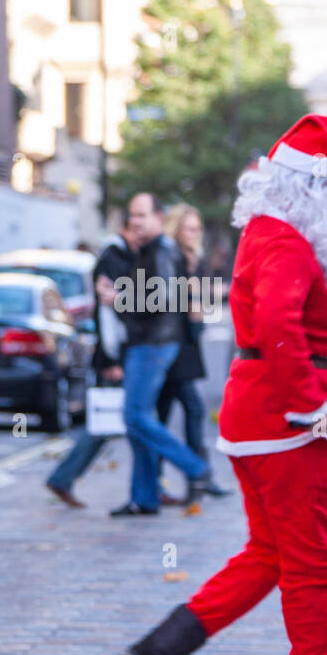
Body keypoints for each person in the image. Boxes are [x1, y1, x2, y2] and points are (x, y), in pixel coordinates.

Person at [121, 114, 327, 655]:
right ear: (311, 187)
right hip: (288, 420)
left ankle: (161, 649)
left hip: (261, 414)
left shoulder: (276, 231)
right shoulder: (285, 239)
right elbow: (282, 325)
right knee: (312, 561)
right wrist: (309, 401)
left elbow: (321, 300)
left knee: (270, 554)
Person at [109, 193, 211, 516]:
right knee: (140, 422)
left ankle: (195, 467)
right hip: (150, 342)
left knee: (134, 417)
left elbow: (164, 298)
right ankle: (145, 497)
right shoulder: (152, 250)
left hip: (153, 344)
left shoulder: (162, 250)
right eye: (132, 216)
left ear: (158, 217)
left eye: (141, 215)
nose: (135, 222)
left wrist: (118, 298)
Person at [46, 220, 134, 507]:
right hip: (113, 357)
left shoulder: (119, 256)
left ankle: (150, 485)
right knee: (107, 423)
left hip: (118, 355)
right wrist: (111, 358)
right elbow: (106, 317)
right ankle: (62, 477)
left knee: (119, 422)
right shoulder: (113, 258)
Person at [156, 204, 230, 502]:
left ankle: (192, 478)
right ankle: (198, 475)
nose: (195, 234)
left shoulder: (193, 260)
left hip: (187, 344)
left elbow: (198, 303)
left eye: (198, 229)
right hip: (172, 345)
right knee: (188, 410)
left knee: (165, 414)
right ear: (176, 229)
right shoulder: (169, 258)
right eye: (189, 228)